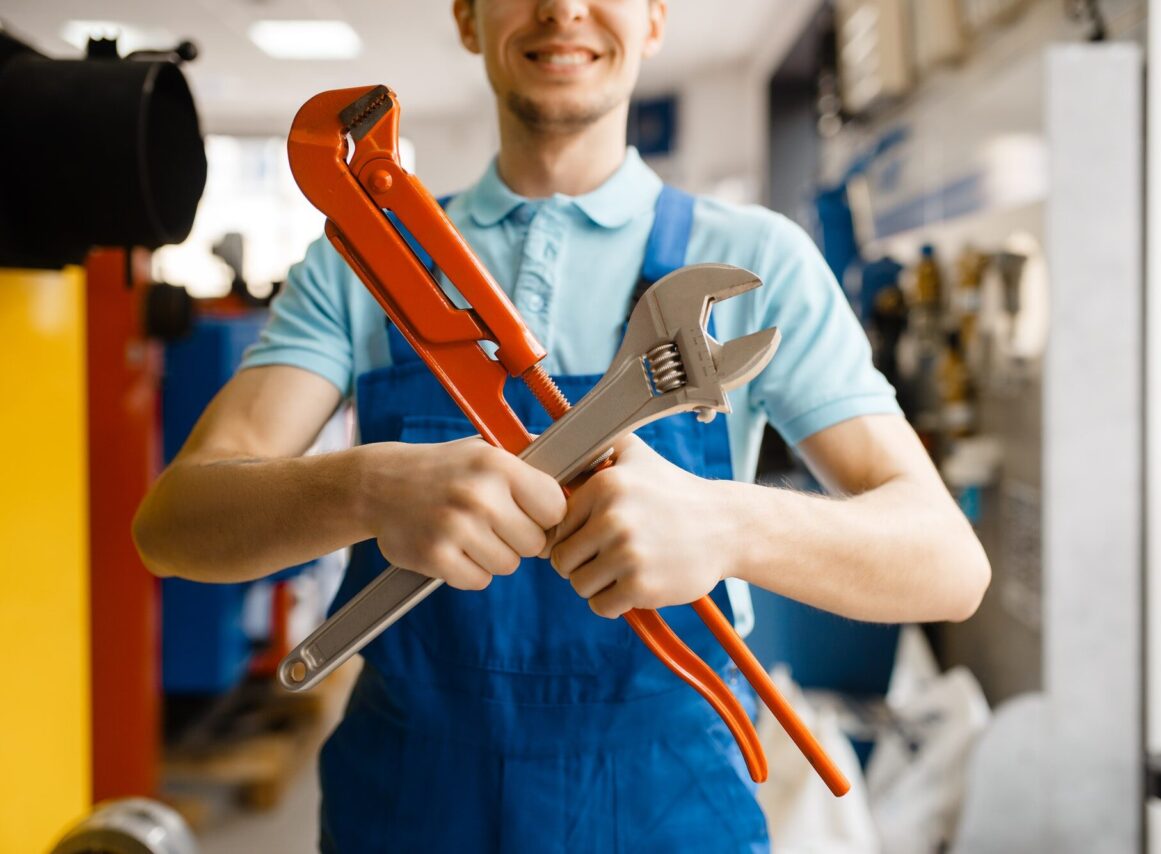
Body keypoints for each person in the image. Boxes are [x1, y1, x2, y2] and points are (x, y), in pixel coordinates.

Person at [133, 1, 990, 850]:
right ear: (467, 18)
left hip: (667, 805)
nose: (564, 10)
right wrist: (366, 487)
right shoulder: (357, 258)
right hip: (411, 804)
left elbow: (948, 566)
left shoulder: (763, 259)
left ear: (654, 19)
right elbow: (173, 526)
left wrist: (726, 524)